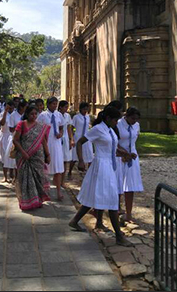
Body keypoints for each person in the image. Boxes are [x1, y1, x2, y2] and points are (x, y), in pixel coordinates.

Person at [68, 106, 132, 247]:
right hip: (101, 167)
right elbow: (80, 142)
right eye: (115, 120)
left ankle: (75, 221)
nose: (117, 123)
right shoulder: (97, 129)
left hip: (110, 166)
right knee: (112, 200)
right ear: (108, 118)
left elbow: (112, 149)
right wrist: (81, 160)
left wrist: (125, 154)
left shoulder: (109, 130)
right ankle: (119, 236)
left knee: (94, 196)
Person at [13, 105, 51, 210]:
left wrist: (48, 154)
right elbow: (15, 140)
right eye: (31, 114)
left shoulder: (40, 126)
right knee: (24, 178)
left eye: (35, 114)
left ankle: (38, 200)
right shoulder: (21, 125)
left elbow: (43, 141)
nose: (34, 116)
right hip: (23, 156)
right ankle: (26, 202)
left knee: (39, 177)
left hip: (37, 156)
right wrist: (23, 152)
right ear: (27, 114)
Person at [116, 106, 143, 224]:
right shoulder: (118, 124)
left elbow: (135, 139)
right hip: (119, 156)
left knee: (130, 185)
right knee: (117, 184)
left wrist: (130, 154)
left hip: (132, 157)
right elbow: (113, 141)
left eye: (136, 119)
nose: (134, 121)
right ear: (126, 116)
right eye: (132, 119)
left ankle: (128, 213)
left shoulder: (136, 125)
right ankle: (116, 208)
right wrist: (124, 153)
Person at [38, 97, 65, 201]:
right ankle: (44, 191)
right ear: (48, 104)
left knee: (58, 168)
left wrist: (61, 134)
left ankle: (58, 191)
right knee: (45, 169)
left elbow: (61, 126)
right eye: (53, 104)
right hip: (46, 144)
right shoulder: (43, 116)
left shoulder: (58, 115)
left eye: (56, 104)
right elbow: (37, 128)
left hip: (57, 144)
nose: (55, 106)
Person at [69, 102, 94, 178]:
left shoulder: (88, 117)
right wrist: (72, 138)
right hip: (78, 137)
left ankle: (89, 173)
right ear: (80, 109)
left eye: (86, 109)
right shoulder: (76, 117)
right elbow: (71, 127)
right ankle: (69, 171)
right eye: (84, 109)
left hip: (86, 138)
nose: (85, 110)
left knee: (89, 155)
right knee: (75, 156)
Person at [0, 101, 17, 182]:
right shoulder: (2, 113)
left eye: (12, 107)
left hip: (12, 136)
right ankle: (5, 176)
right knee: (4, 156)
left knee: (12, 157)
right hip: (4, 136)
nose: (10, 109)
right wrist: (5, 112)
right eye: (9, 107)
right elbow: (2, 123)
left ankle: (12, 175)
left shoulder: (15, 115)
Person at [58, 100, 74, 186]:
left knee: (65, 160)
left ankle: (62, 181)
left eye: (67, 107)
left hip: (66, 139)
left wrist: (71, 139)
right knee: (58, 160)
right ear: (60, 107)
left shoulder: (67, 116)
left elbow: (69, 128)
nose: (66, 109)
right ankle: (57, 179)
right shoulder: (57, 115)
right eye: (65, 107)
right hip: (58, 139)